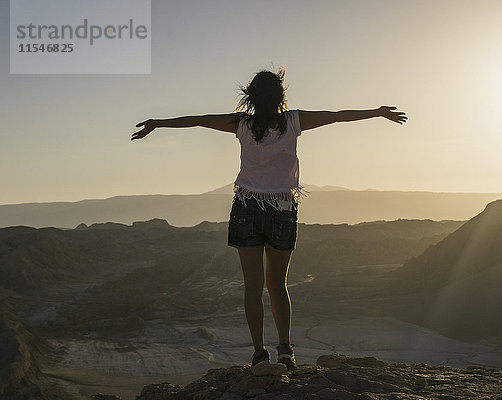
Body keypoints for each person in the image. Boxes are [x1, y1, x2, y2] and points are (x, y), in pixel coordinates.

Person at [131, 68, 407, 368]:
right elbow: (337, 115)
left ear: (251, 96)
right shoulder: (293, 121)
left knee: (253, 286)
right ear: (280, 96)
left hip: (246, 207)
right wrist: (378, 112)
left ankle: (259, 354)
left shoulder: (241, 123)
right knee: (278, 286)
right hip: (281, 209)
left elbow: (198, 120)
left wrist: (157, 123)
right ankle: (286, 350)